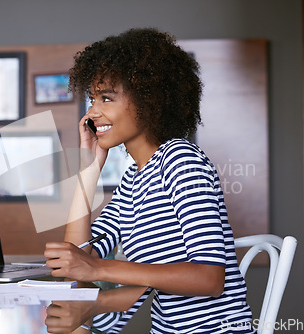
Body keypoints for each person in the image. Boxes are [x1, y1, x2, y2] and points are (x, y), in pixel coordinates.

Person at [44, 28, 255, 333]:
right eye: (92, 99)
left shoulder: (181, 160)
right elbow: (81, 258)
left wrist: (97, 268)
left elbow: (210, 278)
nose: (92, 113)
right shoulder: (133, 180)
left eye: (106, 98)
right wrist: (87, 173)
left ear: (148, 99)